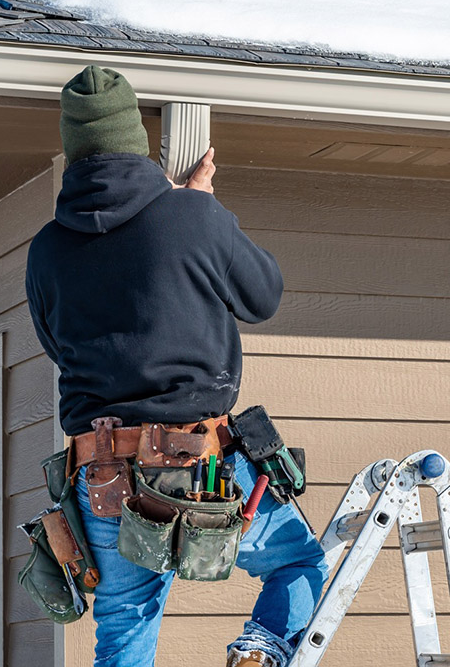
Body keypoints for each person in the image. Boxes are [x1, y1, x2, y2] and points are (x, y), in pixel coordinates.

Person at [25, 65, 327, 667]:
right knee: (297, 563)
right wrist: (204, 214)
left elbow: (58, 346)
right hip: (201, 461)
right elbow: (262, 297)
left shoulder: (47, 249)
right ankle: (261, 650)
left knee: (124, 629)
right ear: (137, 144)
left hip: (102, 469)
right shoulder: (191, 215)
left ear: (74, 151)